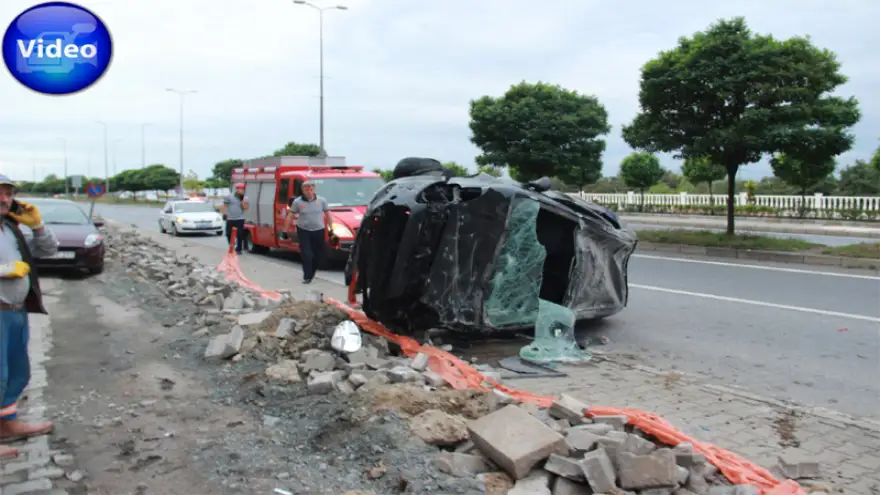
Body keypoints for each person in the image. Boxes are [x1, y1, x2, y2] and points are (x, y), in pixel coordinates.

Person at [0, 174, 59, 460]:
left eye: (7, 193)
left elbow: (48, 251)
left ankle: (7, 424)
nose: (3, 199)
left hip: (15, 312)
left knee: (15, 373)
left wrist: (38, 227)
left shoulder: (12, 229)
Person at [283, 181, 336, 284]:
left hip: (318, 230)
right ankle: (307, 276)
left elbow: (328, 215)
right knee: (307, 253)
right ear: (303, 190)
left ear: (314, 190)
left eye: (311, 190)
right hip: (303, 230)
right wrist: (285, 230)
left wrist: (332, 230)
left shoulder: (321, 201)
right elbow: (290, 216)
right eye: (306, 190)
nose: (309, 192)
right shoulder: (297, 202)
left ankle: (312, 272)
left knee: (317, 255)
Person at [220, 183, 248, 254]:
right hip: (230, 218)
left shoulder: (245, 198)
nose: (241, 191)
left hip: (240, 218)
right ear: (237, 189)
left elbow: (245, 208)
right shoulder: (229, 197)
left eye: (243, 189)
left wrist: (241, 200)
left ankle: (239, 249)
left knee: (240, 234)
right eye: (240, 189)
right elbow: (225, 206)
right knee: (228, 234)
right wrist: (224, 213)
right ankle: (232, 245)